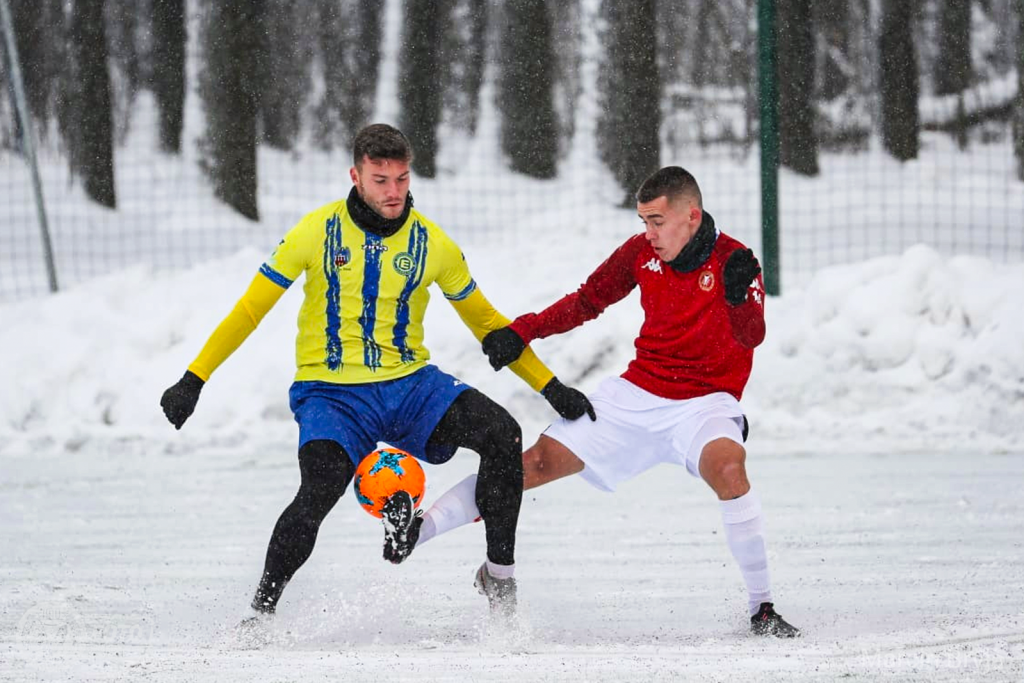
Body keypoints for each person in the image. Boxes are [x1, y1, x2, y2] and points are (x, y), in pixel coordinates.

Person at [158, 124, 593, 622]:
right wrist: (195, 377)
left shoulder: (433, 245)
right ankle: (261, 613)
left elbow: (489, 325)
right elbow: (250, 310)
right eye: (380, 179)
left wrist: (551, 387)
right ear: (356, 176)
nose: (393, 192)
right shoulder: (314, 233)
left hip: (411, 386)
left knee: (502, 433)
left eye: (402, 179)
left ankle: (499, 578)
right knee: (318, 488)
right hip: (332, 393)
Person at [404, 166, 800, 638]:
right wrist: (522, 330)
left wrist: (739, 297)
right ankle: (416, 532)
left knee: (730, 471)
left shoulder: (735, 260)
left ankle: (762, 608)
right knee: (529, 465)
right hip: (636, 394)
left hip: (705, 403)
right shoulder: (640, 254)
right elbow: (588, 300)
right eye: (643, 222)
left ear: (691, 216)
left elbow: (751, 335)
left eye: (657, 221)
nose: (648, 234)